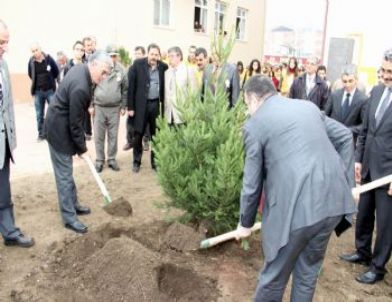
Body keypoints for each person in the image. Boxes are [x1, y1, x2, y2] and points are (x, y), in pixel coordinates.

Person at [235, 75, 356, 301]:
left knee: (273, 278)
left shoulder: (255, 124)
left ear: (251, 99)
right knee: (307, 274)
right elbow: (346, 136)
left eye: (246, 105)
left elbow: (251, 184)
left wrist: (245, 223)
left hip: (296, 212)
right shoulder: (307, 107)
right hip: (332, 204)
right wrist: (348, 185)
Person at [45, 50, 113, 234]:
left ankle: (73, 204)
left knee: (67, 172)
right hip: (58, 130)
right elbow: (75, 124)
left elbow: (75, 118)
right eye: (104, 72)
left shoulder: (81, 69)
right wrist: (82, 149)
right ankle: (69, 217)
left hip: (63, 123)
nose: (105, 77)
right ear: (94, 64)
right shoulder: (81, 86)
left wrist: (80, 146)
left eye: (108, 73)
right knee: (64, 175)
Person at [340, 49, 392, 284]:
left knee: (386, 223)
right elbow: (366, 130)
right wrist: (359, 159)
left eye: (390, 72)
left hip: (388, 175)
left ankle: (378, 267)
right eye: (384, 70)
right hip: (369, 166)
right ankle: (363, 252)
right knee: (363, 214)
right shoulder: (378, 90)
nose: (385, 76)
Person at [0, 19, 35, 248]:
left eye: (7, 42)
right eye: (1, 42)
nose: (5, 47)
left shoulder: (3, 65)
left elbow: (8, 105)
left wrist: (11, 138)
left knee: (3, 189)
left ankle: (10, 232)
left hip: (2, 142)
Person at [127, 43, 168, 173]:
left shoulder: (163, 67)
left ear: (159, 55)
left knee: (156, 135)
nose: (154, 57)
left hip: (156, 105)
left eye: (156, 54)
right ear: (148, 54)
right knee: (138, 134)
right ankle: (136, 161)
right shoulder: (137, 65)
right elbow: (131, 87)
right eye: (152, 54)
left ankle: (155, 163)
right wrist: (130, 107)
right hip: (140, 106)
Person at [91, 45, 128, 173]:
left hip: (114, 108)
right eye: (110, 55)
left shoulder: (121, 70)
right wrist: (90, 105)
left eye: (114, 55)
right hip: (99, 107)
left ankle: (112, 159)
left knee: (113, 135)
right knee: (99, 136)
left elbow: (125, 89)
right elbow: (91, 86)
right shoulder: (99, 68)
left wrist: (123, 105)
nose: (112, 58)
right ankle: (99, 160)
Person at [325, 64, 367, 144]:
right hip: (331, 140)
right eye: (345, 81)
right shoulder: (335, 95)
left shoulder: (363, 99)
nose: (347, 84)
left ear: (356, 80)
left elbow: (364, 125)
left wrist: (347, 130)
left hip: (349, 142)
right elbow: (326, 116)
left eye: (350, 81)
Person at [28, 42, 59, 141]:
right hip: (38, 92)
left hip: (50, 91)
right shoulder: (31, 62)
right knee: (39, 114)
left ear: (40, 49)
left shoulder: (49, 59)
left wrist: (50, 80)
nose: (35, 52)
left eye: (36, 50)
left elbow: (56, 71)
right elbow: (30, 74)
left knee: (53, 112)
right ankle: (41, 134)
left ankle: (53, 134)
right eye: (33, 51)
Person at [164, 46, 197, 125]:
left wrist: (191, 112)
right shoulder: (167, 72)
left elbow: (194, 93)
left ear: (179, 56)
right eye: (168, 56)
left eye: (172, 56)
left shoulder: (188, 70)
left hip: (182, 113)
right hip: (168, 113)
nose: (169, 59)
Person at [123, 46, 147, 152]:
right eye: (136, 53)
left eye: (139, 53)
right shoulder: (132, 68)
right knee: (130, 123)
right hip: (133, 101)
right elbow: (129, 87)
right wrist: (129, 105)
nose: (137, 55)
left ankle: (146, 141)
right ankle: (130, 141)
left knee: (145, 125)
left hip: (144, 102)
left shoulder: (146, 68)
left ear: (143, 54)